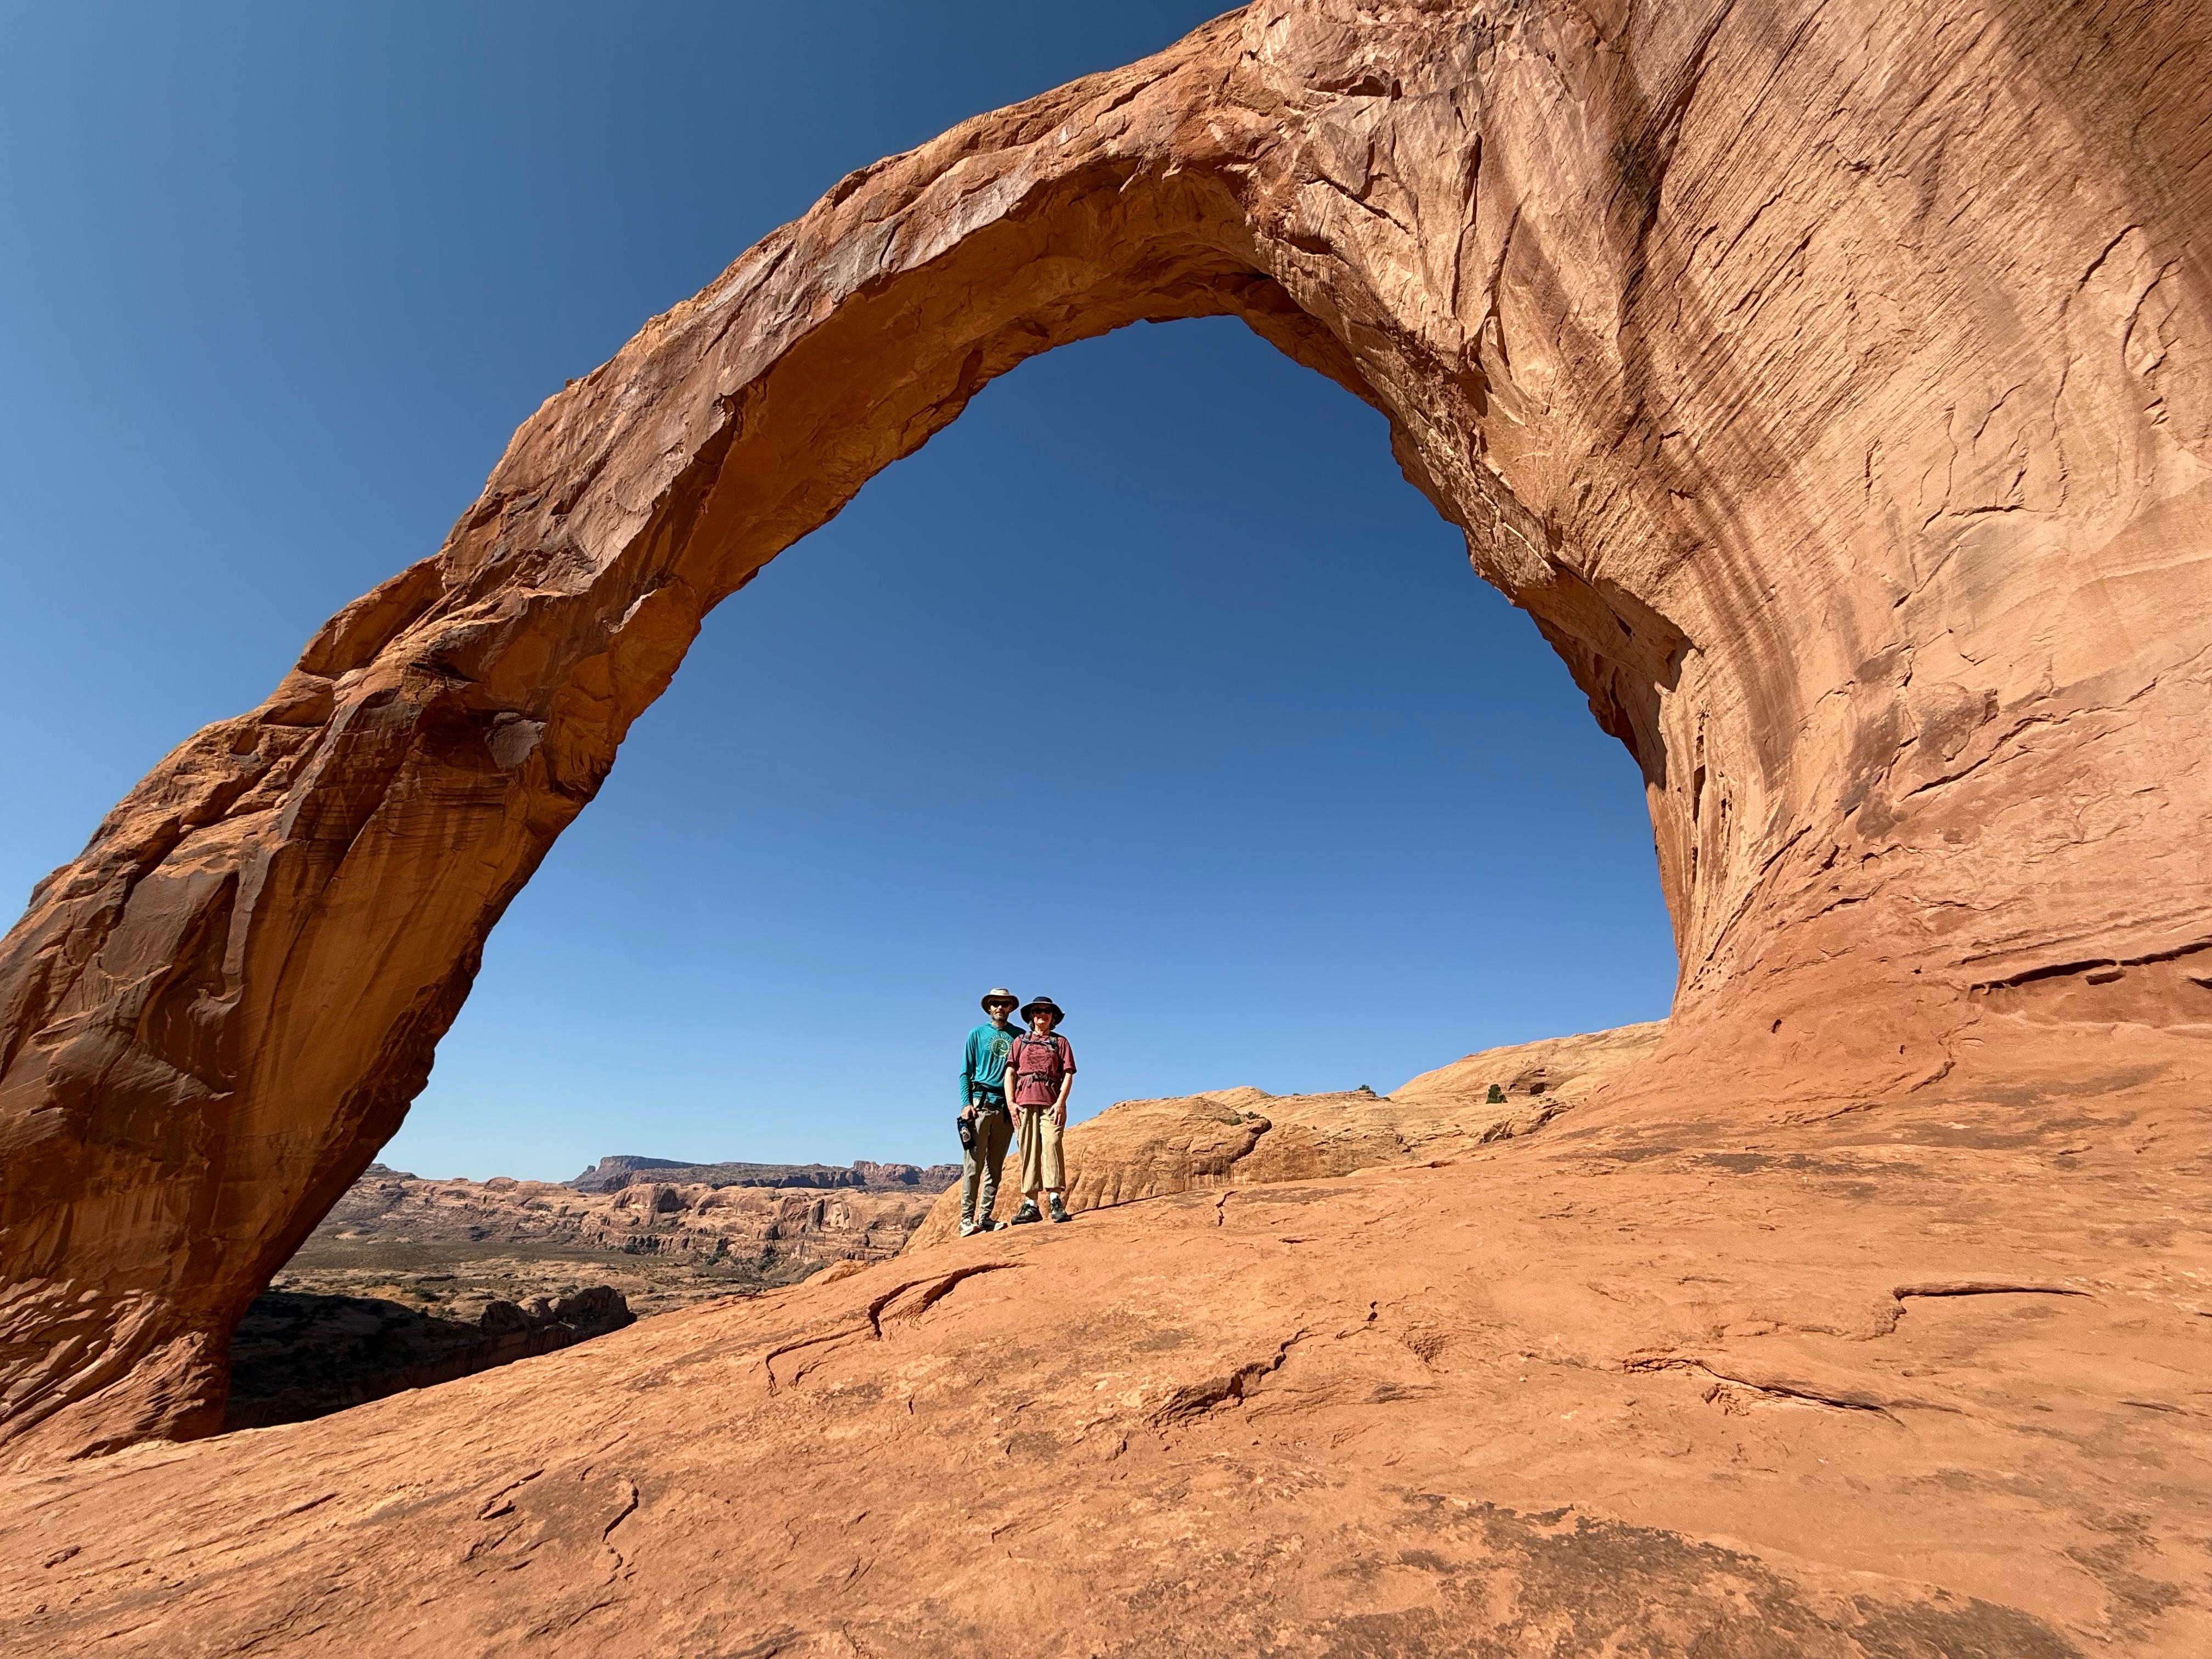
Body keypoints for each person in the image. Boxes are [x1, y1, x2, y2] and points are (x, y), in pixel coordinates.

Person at [957, 988, 1022, 1237]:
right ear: (989, 1007)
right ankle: (966, 1219)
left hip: (1006, 1108)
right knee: (974, 1165)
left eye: (1004, 1004)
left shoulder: (1019, 1036)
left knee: (995, 1168)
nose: (1000, 1008)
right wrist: (966, 1103)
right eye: (995, 1004)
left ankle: (984, 1218)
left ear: (1010, 1008)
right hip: (981, 1105)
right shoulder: (977, 1034)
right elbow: (966, 1072)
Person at [1006, 995, 1075, 1225]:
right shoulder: (1020, 1042)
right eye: (1037, 1011)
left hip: (1051, 1102)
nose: (1042, 1014)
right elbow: (1010, 1073)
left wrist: (1061, 1102)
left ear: (1053, 1017)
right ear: (1031, 1016)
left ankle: (1055, 1199)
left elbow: (1068, 1074)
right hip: (1024, 1101)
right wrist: (1011, 1103)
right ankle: (1031, 1204)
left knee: (1052, 1144)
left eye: (1047, 1011)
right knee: (1028, 1149)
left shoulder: (1061, 1043)